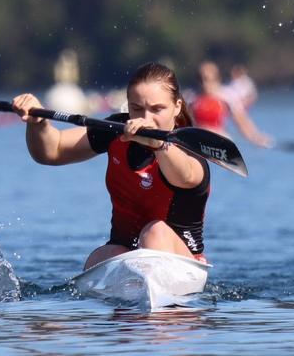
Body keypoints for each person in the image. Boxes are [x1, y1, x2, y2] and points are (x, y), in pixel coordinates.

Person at [12, 62, 210, 269]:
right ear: (128, 106)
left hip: (183, 262)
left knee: (155, 233)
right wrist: (38, 123)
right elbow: (53, 151)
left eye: (157, 109)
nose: (146, 118)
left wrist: (158, 144)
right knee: (100, 258)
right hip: (126, 254)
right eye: (137, 108)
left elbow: (185, 176)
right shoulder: (116, 129)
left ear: (177, 106)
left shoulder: (189, 146)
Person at [191, 61, 272, 148]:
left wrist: (256, 137)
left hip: (218, 137)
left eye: (207, 79)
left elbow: (241, 120)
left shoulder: (227, 96)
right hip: (197, 138)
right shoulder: (190, 97)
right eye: (200, 79)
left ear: (217, 79)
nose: (204, 84)